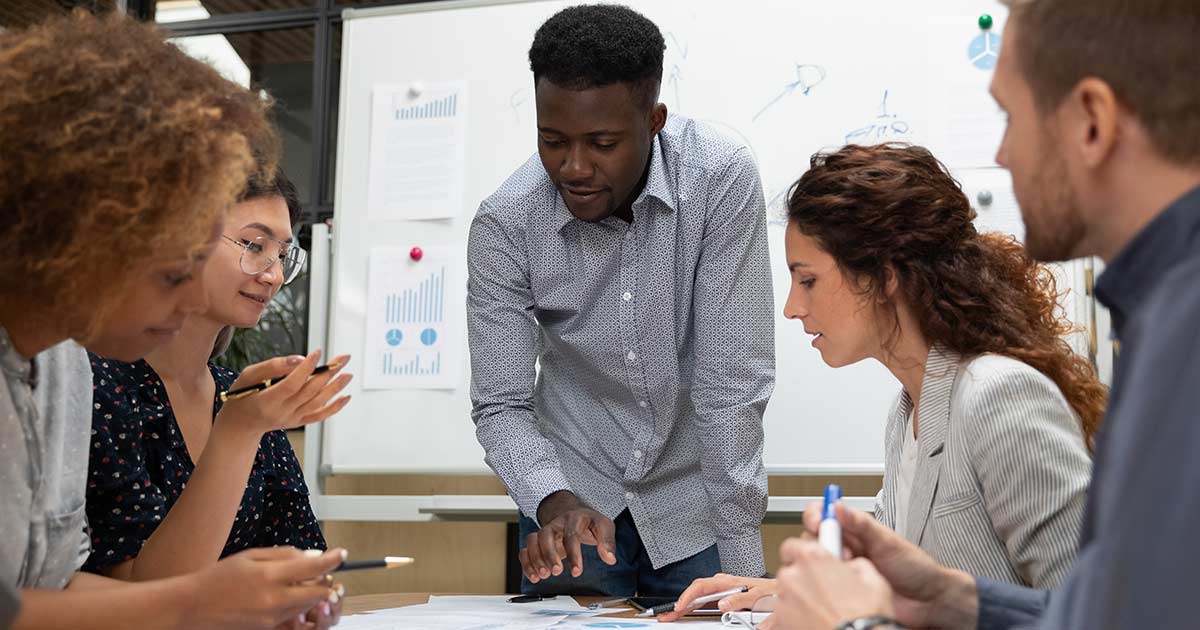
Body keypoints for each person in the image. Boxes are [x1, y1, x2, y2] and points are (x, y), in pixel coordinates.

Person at [773, 0, 1200, 629]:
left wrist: (854, 625)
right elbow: (1102, 610)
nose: (1001, 155)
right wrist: (950, 600)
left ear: (1092, 121)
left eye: (1011, 117)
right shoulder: (909, 409)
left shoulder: (1004, 392)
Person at [660, 143, 1104, 623]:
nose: (791, 308)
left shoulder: (997, 394)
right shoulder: (907, 412)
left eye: (807, 281)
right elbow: (901, 593)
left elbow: (1097, 613)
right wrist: (776, 591)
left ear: (884, 277)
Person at [0, 11, 345, 629]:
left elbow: (48, 587)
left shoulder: (63, 370)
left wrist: (244, 603)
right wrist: (192, 603)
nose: (189, 302)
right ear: (77, 235)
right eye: (173, 270)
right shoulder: (99, 378)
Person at [467, 3, 775, 596]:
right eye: (552, 140)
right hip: (572, 500)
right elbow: (501, 403)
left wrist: (741, 570)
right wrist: (552, 500)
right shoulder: (507, 223)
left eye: (603, 143)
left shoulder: (719, 178)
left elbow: (730, 385)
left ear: (654, 120)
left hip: (695, 505)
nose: (574, 167)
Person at [84, 168, 352, 629]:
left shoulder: (245, 395)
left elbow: (304, 556)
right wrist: (239, 430)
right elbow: (144, 597)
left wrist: (310, 597)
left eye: (283, 255)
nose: (273, 274)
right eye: (254, 245)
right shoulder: (100, 384)